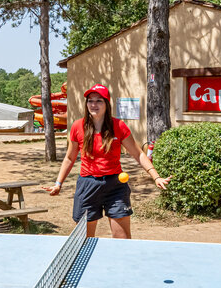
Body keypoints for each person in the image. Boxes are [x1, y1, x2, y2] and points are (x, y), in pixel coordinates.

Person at [46, 84, 169, 238]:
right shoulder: (78, 126)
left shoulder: (119, 126)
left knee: (122, 239)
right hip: (88, 185)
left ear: (107, 104)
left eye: (99, 101)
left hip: (115, 186)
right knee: (84, 239)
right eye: (90, 101)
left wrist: (156, 176)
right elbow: (70, 158)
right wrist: (58, 184)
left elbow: (139, 154)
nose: (93, 104)